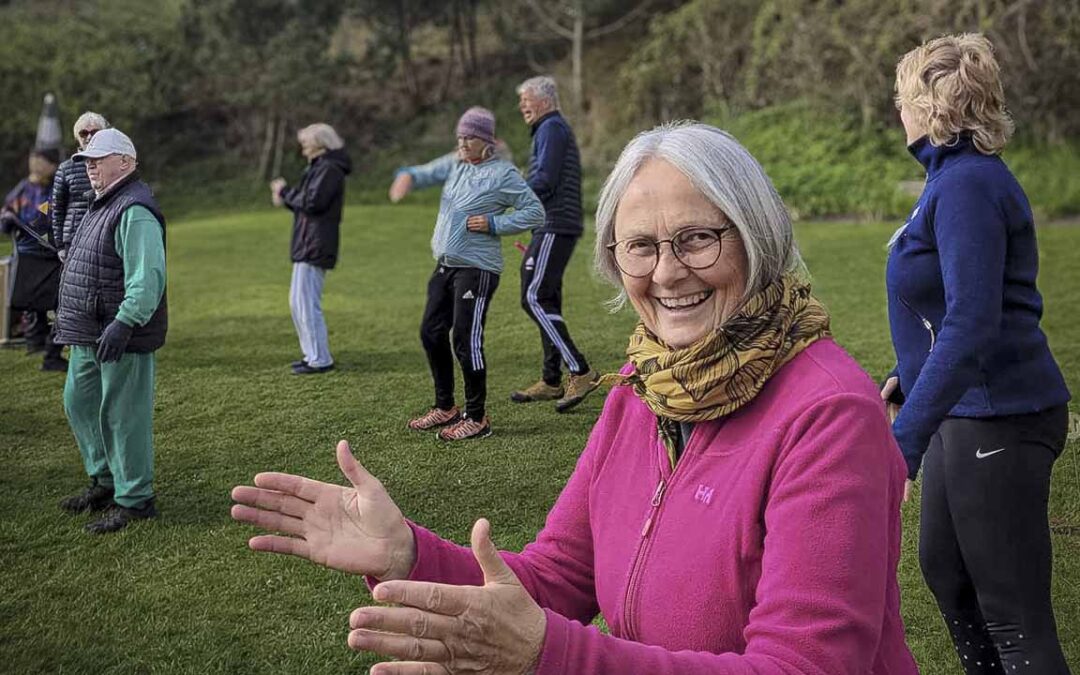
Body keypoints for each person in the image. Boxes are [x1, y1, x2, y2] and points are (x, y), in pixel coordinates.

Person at [232, 122, 919, 674]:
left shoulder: (828, 414)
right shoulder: (641, 389)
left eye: (698, 238)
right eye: (640, 246)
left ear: (758, 237)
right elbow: (556, 574)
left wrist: (550, 655)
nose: (668, 271)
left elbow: (805, 665)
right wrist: (408, 552)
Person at [885, 34, 1072, 674]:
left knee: (1013, 618)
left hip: (998, 413)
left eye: (903, 97)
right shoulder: (952, 181)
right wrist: (907, 377)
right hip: (960, 412)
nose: (897, 111)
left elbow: (972, 319)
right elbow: (949, 309)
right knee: (950, 577)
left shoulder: (966, 186)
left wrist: (904, 439)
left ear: (928, 107)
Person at [388, 107, 543, 441]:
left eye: (468, 137)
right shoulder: (456, 163)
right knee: (431, 332)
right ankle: (446, 408)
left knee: (465, 340)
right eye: (459, 136)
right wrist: (406, 175)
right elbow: (423, 172)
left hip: (478, 269)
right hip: (445, 266)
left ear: (485, 141)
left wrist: (494, 224)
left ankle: (477, 417)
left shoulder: (503, 173)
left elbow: (535, 211)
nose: (461, 143)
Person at [53, 128, 167, 534]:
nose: (90, 167)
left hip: (120, 332)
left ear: (127, 162)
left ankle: (136, 500)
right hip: (88, 332)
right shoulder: (102, 203)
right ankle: (104, 480)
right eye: (86, 161)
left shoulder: (134, 208)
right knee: (78, 402)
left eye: (98, 160)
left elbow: (147, 278)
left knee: (124, 417)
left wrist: (125, 322)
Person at [510, 76, 598, 412]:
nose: (522, 107)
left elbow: (544, 180)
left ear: (545, 100)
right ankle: (550, 379)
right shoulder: (550, 129)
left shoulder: (551, 128)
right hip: (552, 224)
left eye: (526, 100)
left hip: (555, 224)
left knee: (534, 296)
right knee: (546, 298)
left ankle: (580, 370)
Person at [270, 123, 351, 375]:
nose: (303, 146)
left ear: (321, 144)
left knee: (306, 303)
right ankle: (312, 355)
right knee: (298, 302)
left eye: (306, 142)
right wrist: (286, 197)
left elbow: (313, 203)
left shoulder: (328, 169)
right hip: (308, 242)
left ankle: (319, 359)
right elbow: (305, 205)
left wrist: (284, 191)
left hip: (315, 243)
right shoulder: (320, 168)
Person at [1, 147, 64, 370]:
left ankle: (50, 350)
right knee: (37, 301)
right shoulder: (24, 189)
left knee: (59, 302)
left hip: (50, 253)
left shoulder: (57, 184)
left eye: (40, 161)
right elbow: (7, 217)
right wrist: (9, 217)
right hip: (29, 254)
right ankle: (38, 344)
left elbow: (48, 215)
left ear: (52, 164)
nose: (35, 165)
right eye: (33, 160)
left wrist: (37, 218)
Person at [51, 111, 109, 260]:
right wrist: (60, 246)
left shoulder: (112, 163)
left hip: (105, 234)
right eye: (84, 133)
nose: (89, 137)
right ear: (77, 137)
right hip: (74, 236)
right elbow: (57, 209)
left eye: (95, 132)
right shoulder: (65, 169)